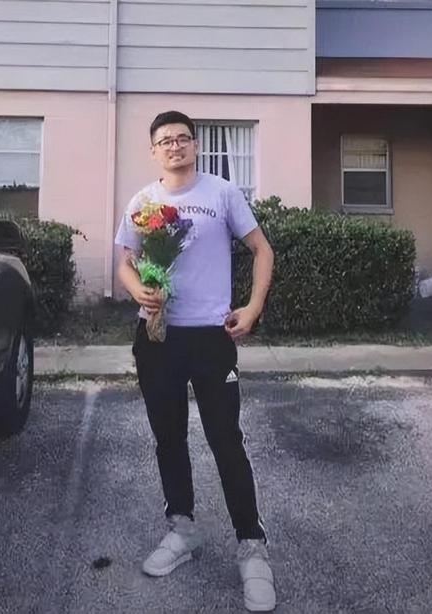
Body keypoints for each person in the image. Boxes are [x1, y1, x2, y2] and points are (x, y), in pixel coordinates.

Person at [114, 110, 276, 612]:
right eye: (165, 140)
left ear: (196, 145)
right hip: (157, 337)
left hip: (211, 336)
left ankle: (251, 546)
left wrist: (252, 307)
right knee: (169, 437)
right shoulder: (143, 201)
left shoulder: (221, 193)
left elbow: (262, 249)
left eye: (183, 138)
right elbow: (125, 260)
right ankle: (182, 529)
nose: (175, 146)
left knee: (225, 440)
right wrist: (137, 289)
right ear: (153, 150)